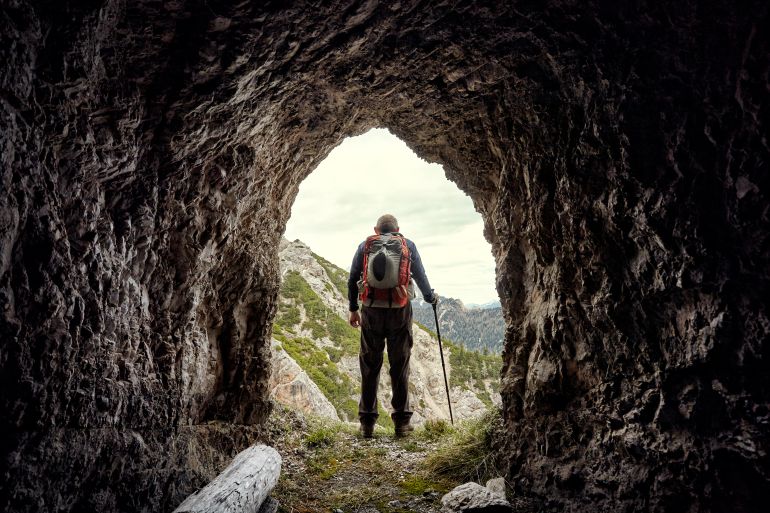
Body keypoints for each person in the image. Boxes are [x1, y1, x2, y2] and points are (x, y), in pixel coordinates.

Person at [347, 214, 437, 438]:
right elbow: (420, 275)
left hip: (371, 311)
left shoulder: (366, 246)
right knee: (400, 364)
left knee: (370, 365)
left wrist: (353, 309)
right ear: (398, 229)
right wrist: (430, 297)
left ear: (376, 230)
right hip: (400, 311)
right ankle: (402, 423)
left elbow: (352, 278)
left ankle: (367, 423)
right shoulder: (408, 245)